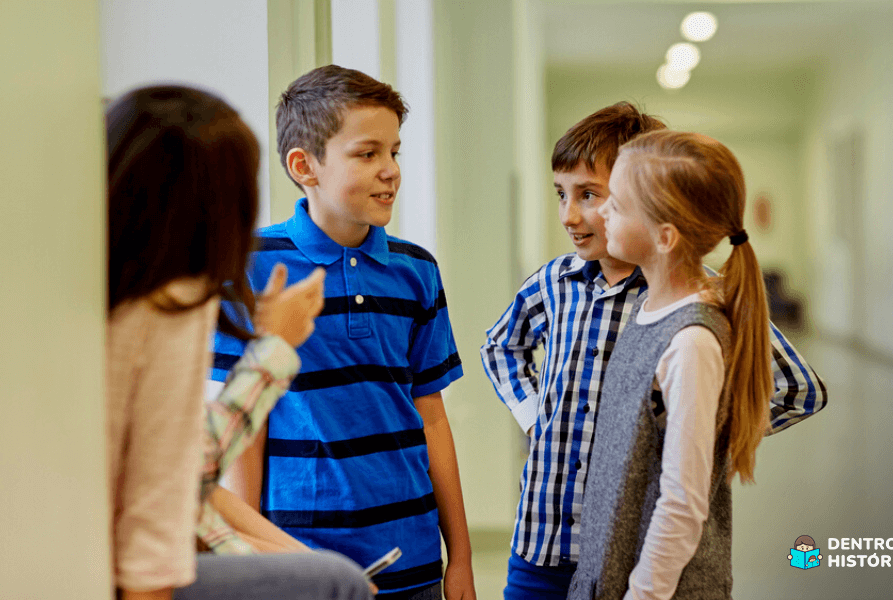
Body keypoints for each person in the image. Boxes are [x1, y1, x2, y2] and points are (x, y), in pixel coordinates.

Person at [480, 103, 827, 599]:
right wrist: (536, 416)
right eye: (561, 194)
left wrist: (695, 434)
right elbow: (500, 345)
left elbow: (799, 391)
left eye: (593, 195)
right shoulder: (555, 284)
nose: (569, 215)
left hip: (630, 557)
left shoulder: (697, 300)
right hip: (541, 544)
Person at [212, 65, 476, 600]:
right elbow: (245, 426)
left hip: (414, 553)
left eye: (395, 152)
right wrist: (253, 560)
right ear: (304, 166)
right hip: (300, 559)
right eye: (367, 153)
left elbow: (432, 417)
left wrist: (461, 558)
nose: (390, 171)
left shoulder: (416, 270)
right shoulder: (251, 266)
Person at [106, 85, 372, 600]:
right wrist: (275, 347)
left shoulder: (101, 292)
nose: (388, 170)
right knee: (337, 583)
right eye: (365, 152)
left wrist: (278, 553)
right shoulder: (175, 304)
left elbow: (184, 470)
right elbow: (163, 502)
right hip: (136, 568)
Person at [568, 129, 782, 598]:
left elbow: (682, 504)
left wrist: (643, 593)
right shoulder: (648, 310)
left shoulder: (691, 342)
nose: (602, 210)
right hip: (611, 573)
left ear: (665, 237)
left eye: (618, 205)